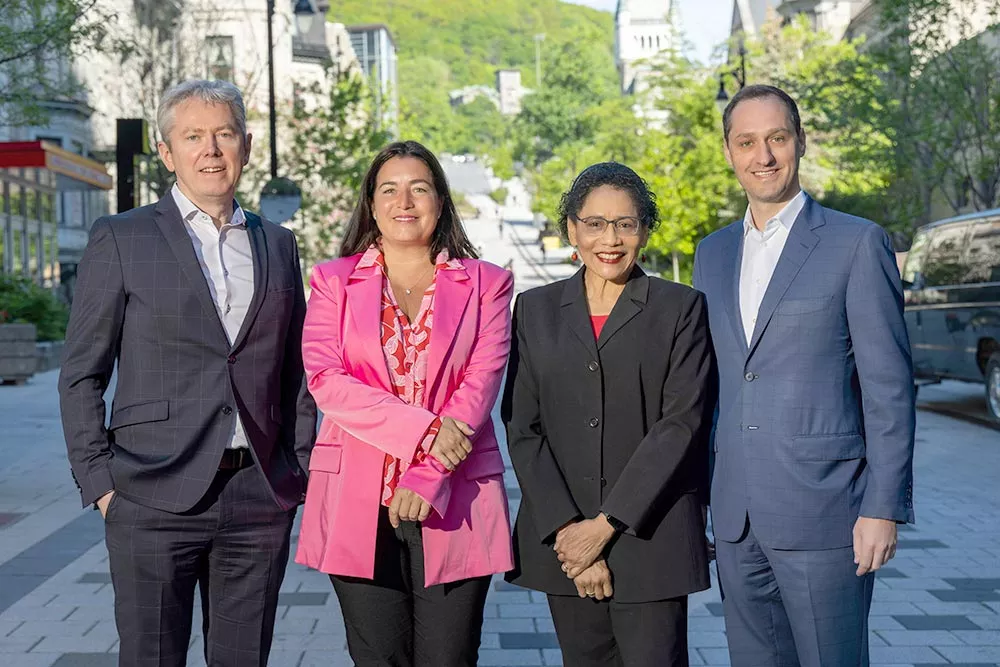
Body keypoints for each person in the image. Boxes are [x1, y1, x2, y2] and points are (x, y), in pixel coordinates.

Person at [59, 79, 316, 666]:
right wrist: (100, 482)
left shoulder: (278, 245)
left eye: (224, 134)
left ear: (246, 146)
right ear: (167, 152)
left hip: (257, 497)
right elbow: (81, 374)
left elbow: (295, 371)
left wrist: (296, 473)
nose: (211, 149)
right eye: (193, 136)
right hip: (148, 495)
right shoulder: (121, 238)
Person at [692, 84, 915, 667]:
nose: (762, 155)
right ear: (728, 152)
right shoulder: (710, 254)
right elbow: (713, 385)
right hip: (737, 516)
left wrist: (883, 507)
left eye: (776, 138)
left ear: (800, 143)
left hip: (827, 513)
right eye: (747, 142)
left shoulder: (856, 242)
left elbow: (888, 388)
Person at [295, 140, 514, 667]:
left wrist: (427, 471)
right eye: (389, 190)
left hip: (455, 495)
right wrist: (423, 432)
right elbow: (326, 378)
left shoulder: (487, 283)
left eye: (420, 188)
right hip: (355, 497)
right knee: (377, 659)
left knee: (450, 658)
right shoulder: (333, 282)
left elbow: (480, 385)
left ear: (441, 200)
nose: (405, 201)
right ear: (371, 204)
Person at [502, 162, 714, 666]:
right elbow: (523, 428)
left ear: (644, 228)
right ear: (572, 228)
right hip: (564, 542)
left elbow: (680, 424)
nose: (610, 239)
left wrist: (604, 527)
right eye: (594, 223)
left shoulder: (680, 308)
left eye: (625, 223)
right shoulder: (534, 310)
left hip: (650, 539)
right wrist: (570, 534)